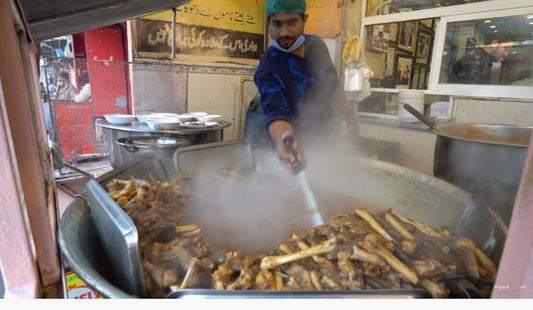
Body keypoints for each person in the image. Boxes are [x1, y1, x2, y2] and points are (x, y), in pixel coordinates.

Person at [254, 0, 359, 173]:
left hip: (327, 137)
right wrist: (285, 143)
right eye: (277, 24)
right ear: (268, 23)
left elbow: (332, 86)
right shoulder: (268, 66)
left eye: (292, 23)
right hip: (296, 143)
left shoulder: (316, 45)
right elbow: (275, 111)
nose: (284, 33)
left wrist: (350, 119)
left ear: (304, 20)